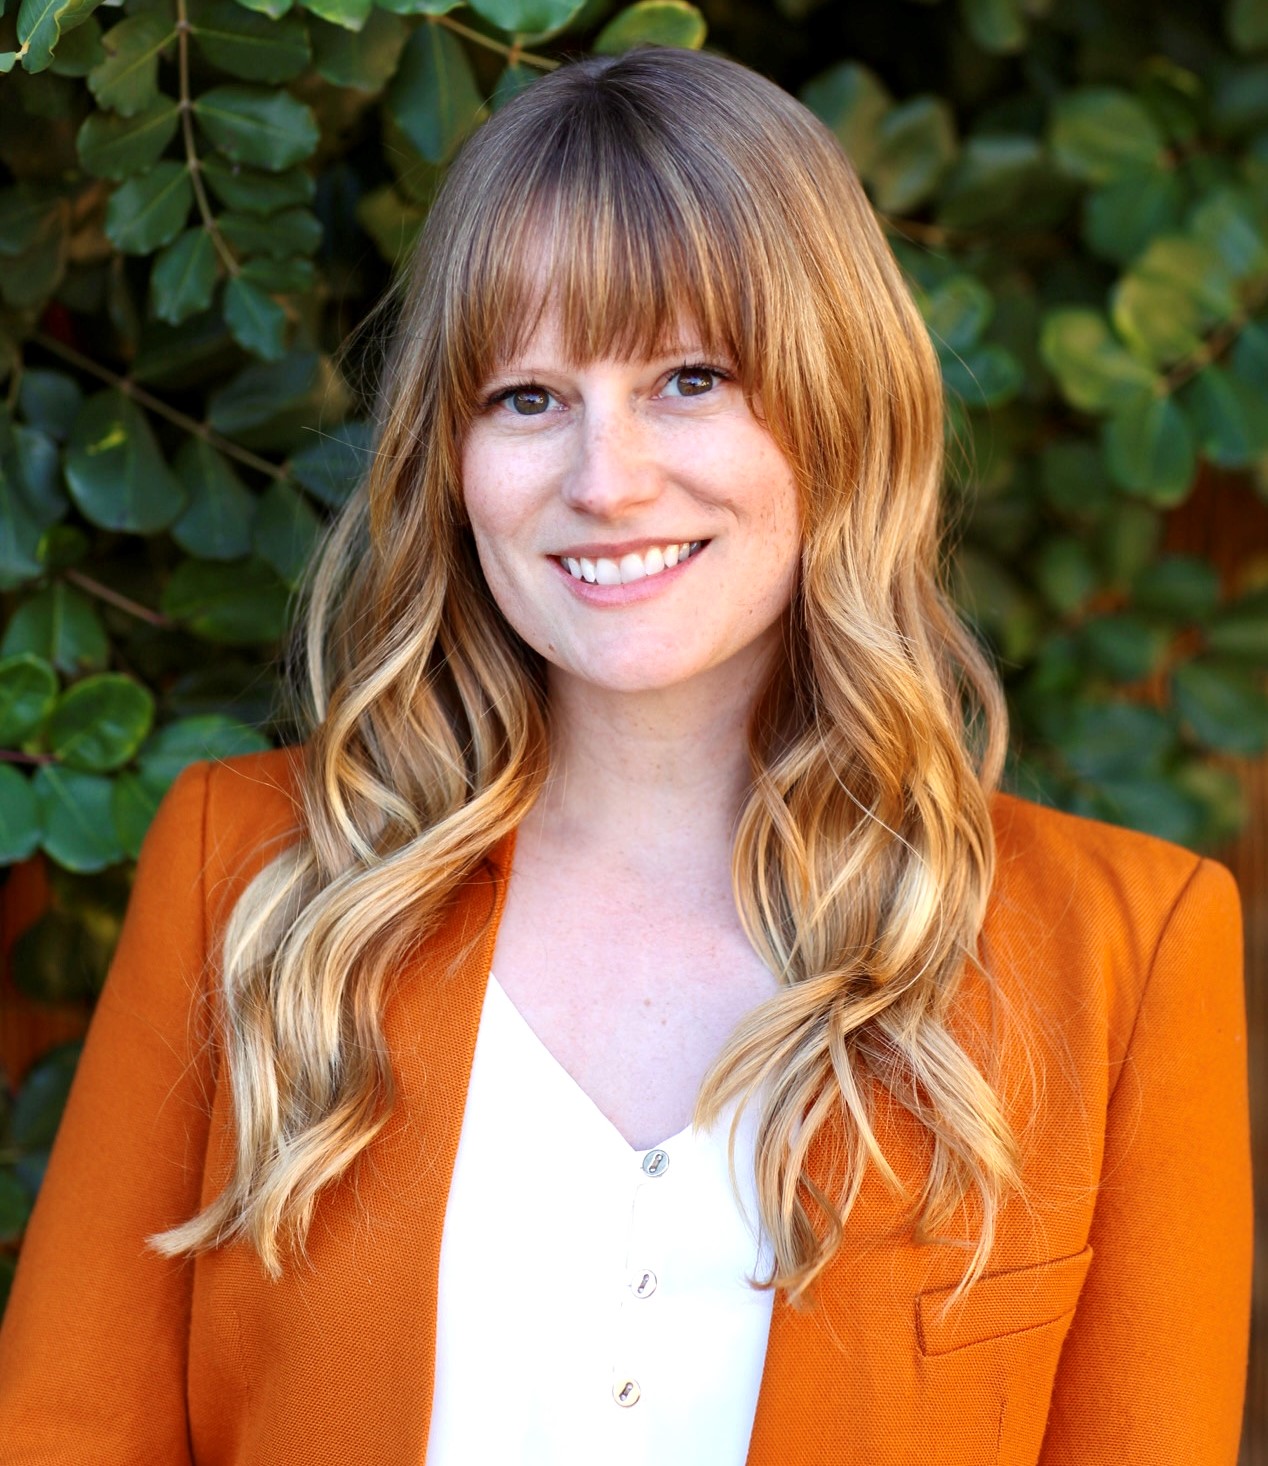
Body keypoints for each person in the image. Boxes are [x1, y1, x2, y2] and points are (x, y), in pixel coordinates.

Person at [0, 45, 1252, 1466]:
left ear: (839, 410)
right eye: (527, 396)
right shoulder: (252, 874)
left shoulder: (1126, 955)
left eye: (691, 377)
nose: (606, 479)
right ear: (451, 456)